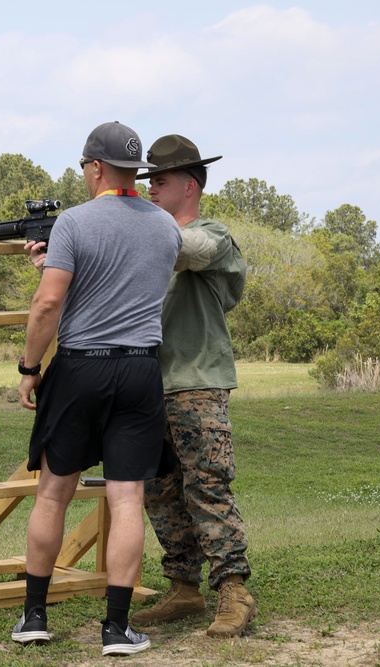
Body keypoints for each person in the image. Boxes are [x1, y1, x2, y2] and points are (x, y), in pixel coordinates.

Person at [12, 121, 181, 657]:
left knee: (54, 492)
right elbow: (125, 279)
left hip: (82, 366)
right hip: (139, 370)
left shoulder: (74, 224)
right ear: (137, 172)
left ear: (94, 168)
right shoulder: (166, 227)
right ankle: (116, 629)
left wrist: (28, 366)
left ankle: (34, 617)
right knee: (127, 498)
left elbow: (47, 304)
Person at [129, 134, 256, 637]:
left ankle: (234, 589)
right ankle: (183, 587)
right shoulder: (148, 239)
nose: (150, 190)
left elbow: (186, 249)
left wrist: (125, 228)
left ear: (189, 185)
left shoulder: (213, 235)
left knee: (207, 485)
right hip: (146, 384)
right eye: (148, 181)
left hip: (196, 383)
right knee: (158, 491)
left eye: (158, 182)